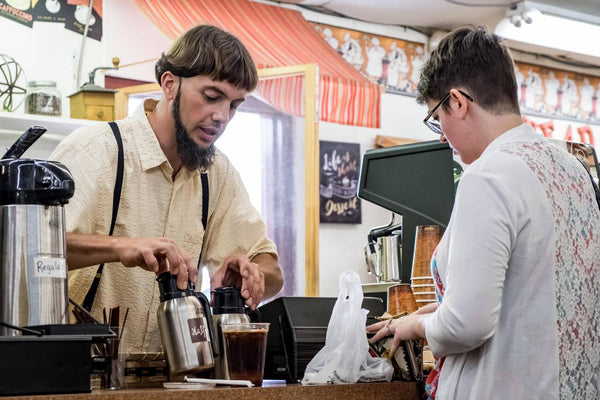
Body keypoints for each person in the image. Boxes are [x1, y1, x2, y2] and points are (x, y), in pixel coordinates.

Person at [367, 26, 600, 399]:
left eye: (435, 117)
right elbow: (528, 291)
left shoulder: (487, 178)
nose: (441, 136)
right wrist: (425, 313)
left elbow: (466, 325)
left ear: (458, 102)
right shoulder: (572, 170)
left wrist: (413, 328)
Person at [50, 25, 283, 353]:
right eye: (211, 97)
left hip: (174, 378)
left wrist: (254, 272)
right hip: (82, 376)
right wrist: (121, 247)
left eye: (234, 105)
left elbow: (271, 268)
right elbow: (32, 251)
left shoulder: (217, 172)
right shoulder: (96, 150)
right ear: (170, 84)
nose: (222, 117)